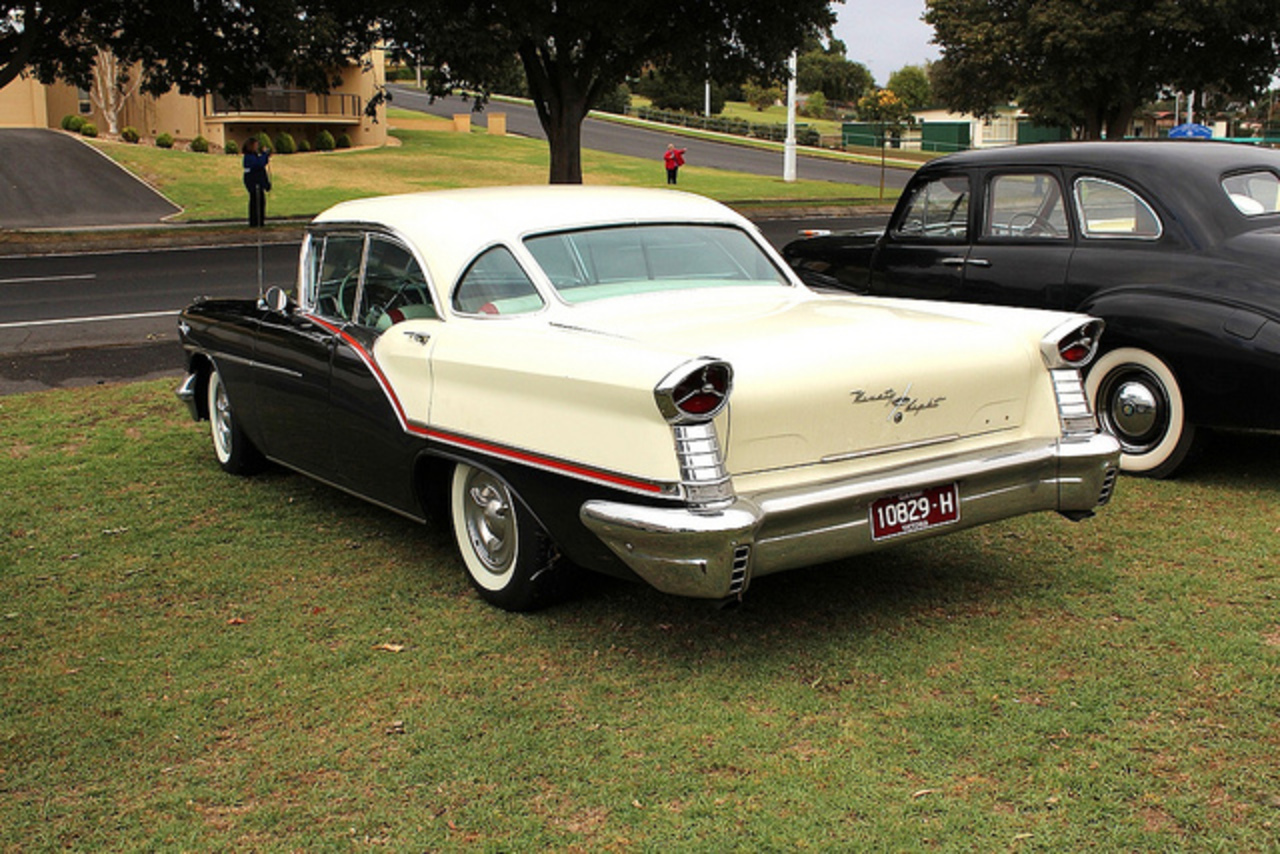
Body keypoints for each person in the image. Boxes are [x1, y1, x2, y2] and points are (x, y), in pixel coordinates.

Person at [242, 136, 272, 227]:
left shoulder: (253, 156)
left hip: (257, 179)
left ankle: (259, 221)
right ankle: (256, 222)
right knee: (256, 201)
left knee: (260, 201)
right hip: (254, 181)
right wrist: (264, 154)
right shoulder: (249, 157)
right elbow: (258, 164)